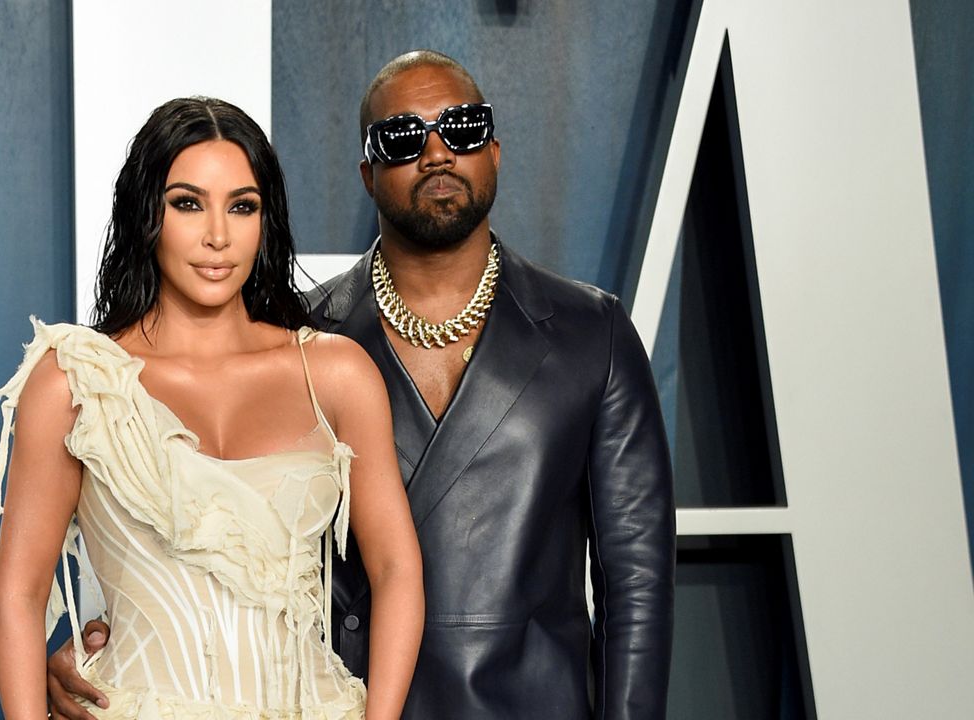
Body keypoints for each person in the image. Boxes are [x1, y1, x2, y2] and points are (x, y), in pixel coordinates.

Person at [50, 51, 675, 719]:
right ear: (368, 173)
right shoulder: (300, 344)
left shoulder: (590, 333)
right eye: (404, 138)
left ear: (494, 149)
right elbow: (205, 535)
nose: (437, 153)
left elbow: (635, 580)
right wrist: (103, 647)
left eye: (461, 128)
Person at [0, 97, 423, 720]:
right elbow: (20, 595)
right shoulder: (76, 382)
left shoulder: (335, 374)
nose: (218, 235)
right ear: (146, 214)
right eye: (188, 203)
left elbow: (397, 567)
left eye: (242, 206)